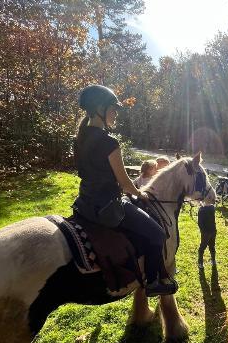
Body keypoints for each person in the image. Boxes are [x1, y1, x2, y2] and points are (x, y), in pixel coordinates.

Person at [73, 85, 177, 297]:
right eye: (113, 108)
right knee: (157, 233)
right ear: (100, 108)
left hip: (84, 204)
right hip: (109, 208)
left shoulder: (79, 139)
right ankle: (153, 282)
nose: (116, 113)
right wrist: (141, 194)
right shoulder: (109, 142)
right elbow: (125, 183)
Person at [197, 199, 217, 270]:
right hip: (209, 231)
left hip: (211, 231)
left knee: (208, 246)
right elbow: (200, 223)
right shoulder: (205, 209)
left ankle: (211, 260)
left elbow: (200, 223)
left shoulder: (208, 208)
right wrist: (204, 231)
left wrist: (204, 232)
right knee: (207, 246)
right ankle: (202, 261)